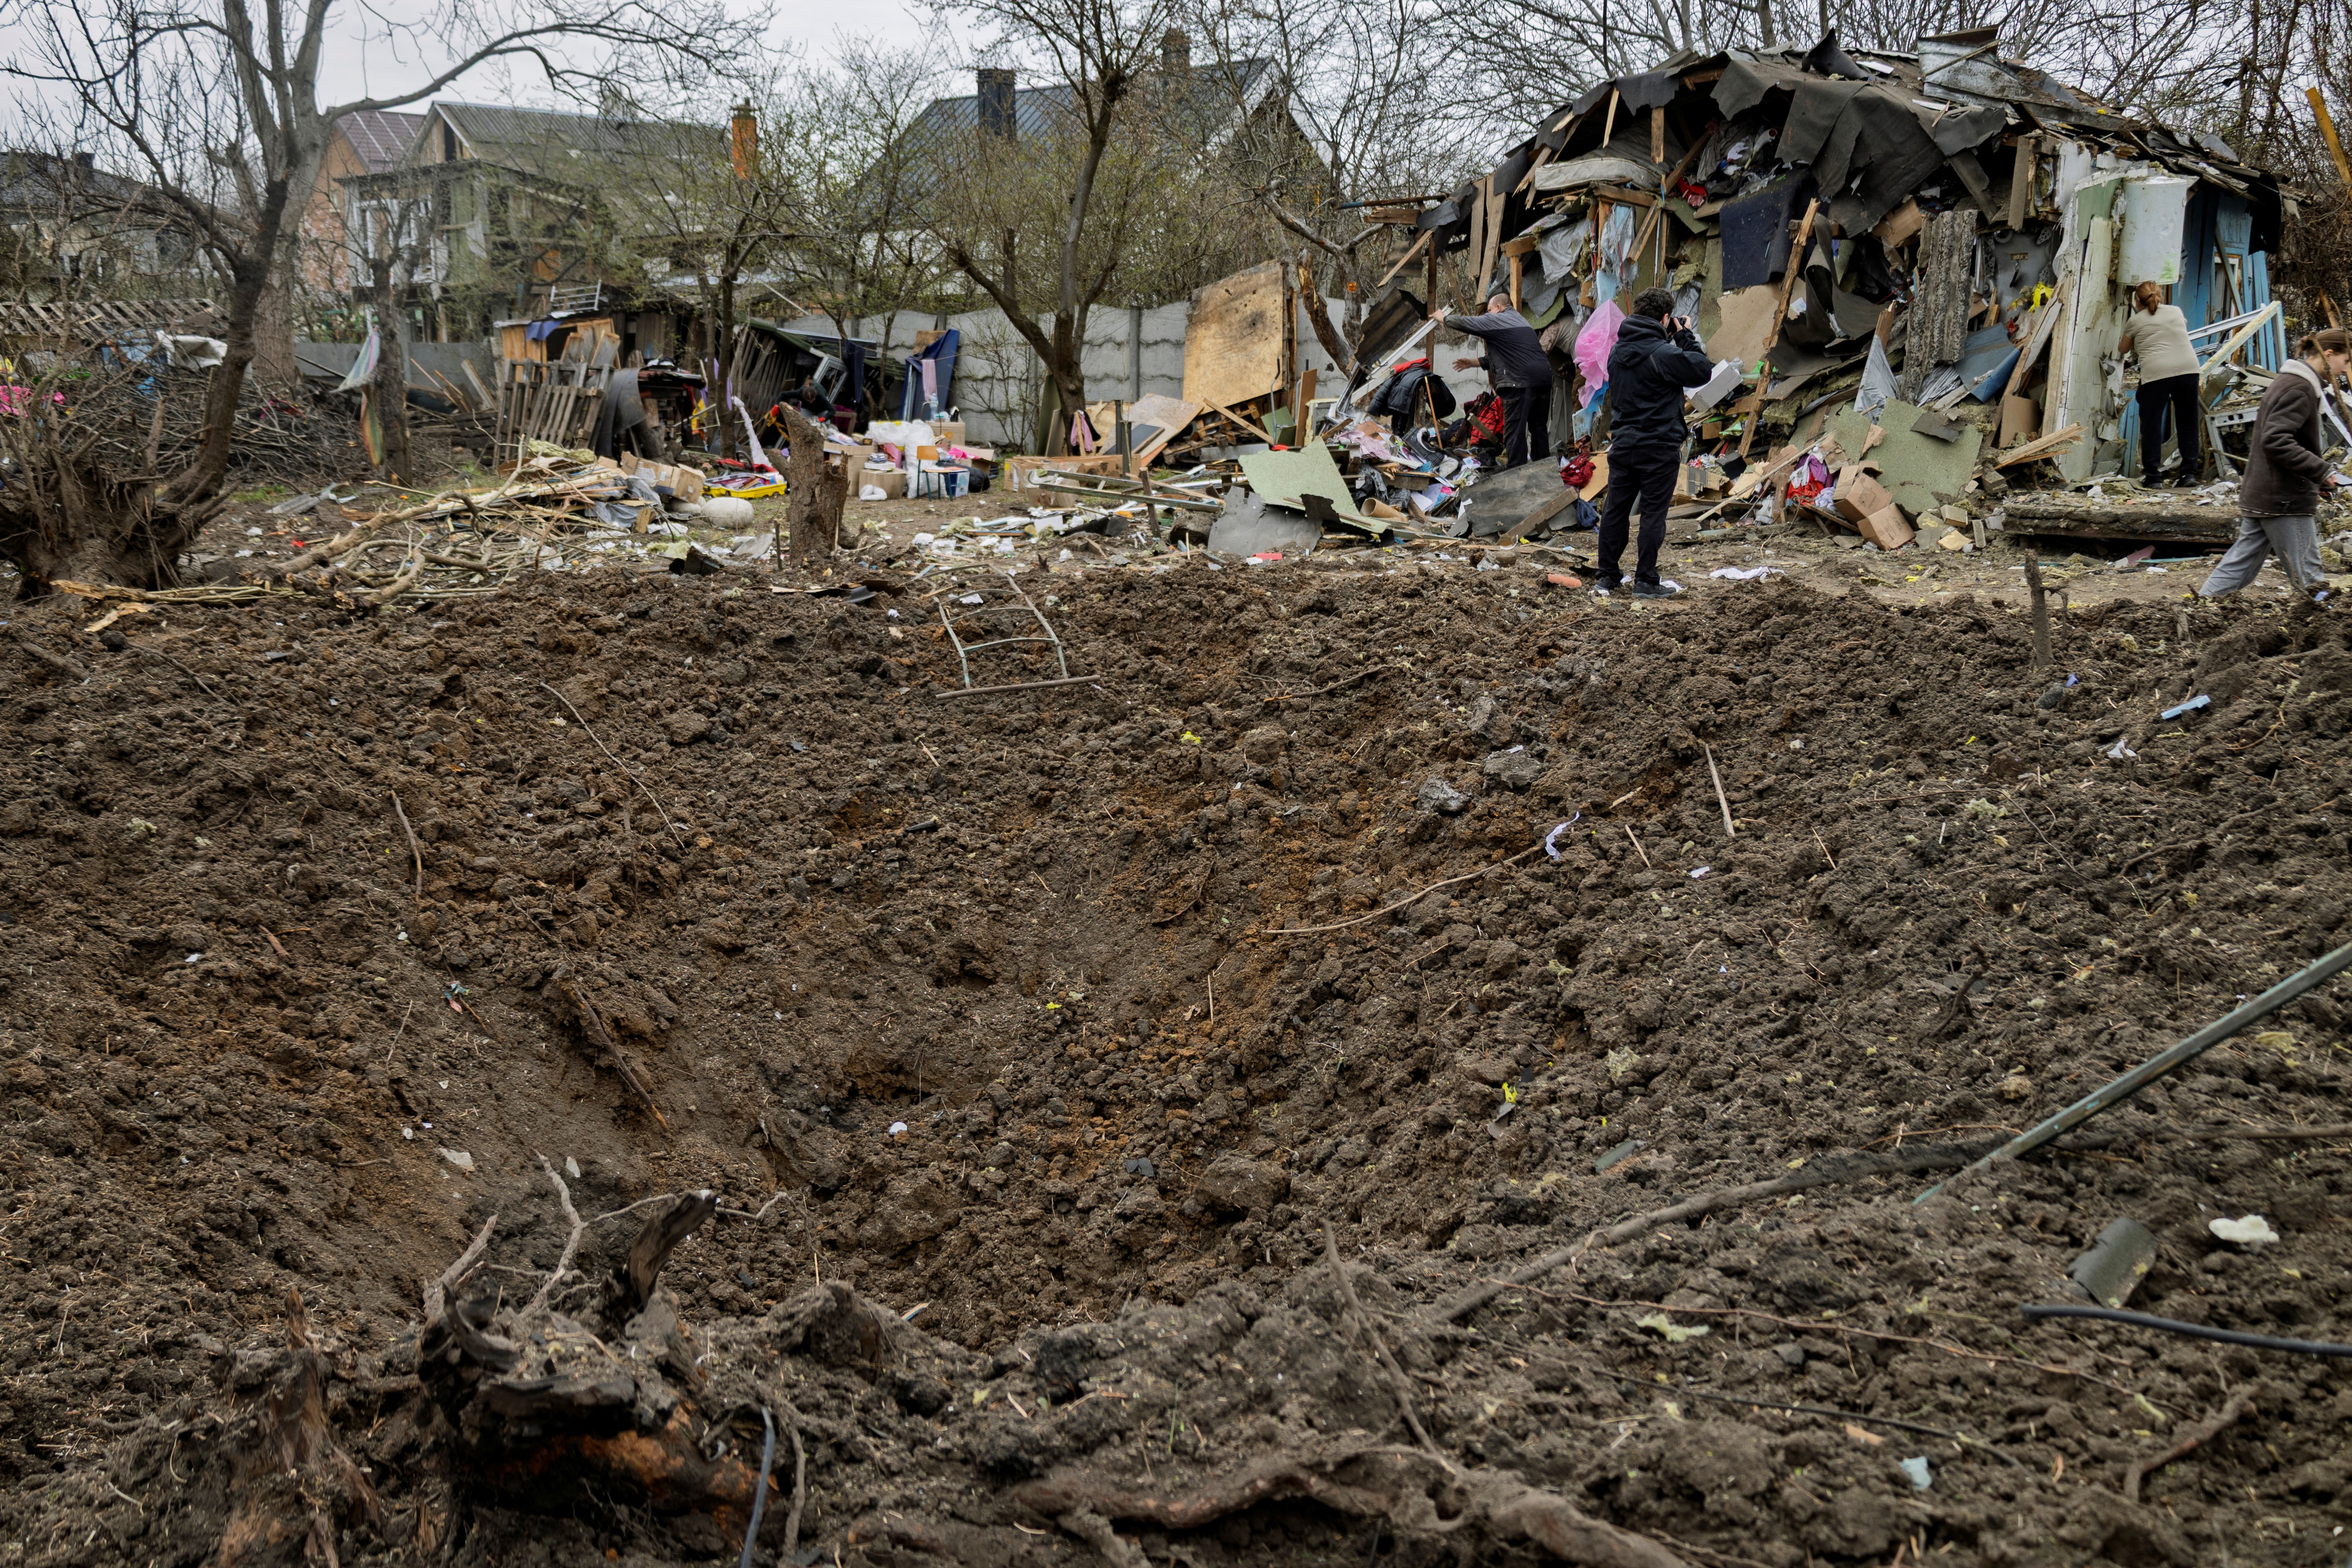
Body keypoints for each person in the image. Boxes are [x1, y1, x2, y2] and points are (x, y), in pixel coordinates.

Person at [2200, 327, 2349, 600]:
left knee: (2239, 567)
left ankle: (2196, 611)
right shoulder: (2300, 388)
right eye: (2346, 361)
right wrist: (2322, 471)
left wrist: (2315, 479)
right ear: (2329, 354)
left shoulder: (2291, 381)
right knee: (2310, 579)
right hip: (2284, 499)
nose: (2344, 369)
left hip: (2265, 493)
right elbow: (2276, 441)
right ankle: (2332, 633)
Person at [1595, 286, 1716, 598]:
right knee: (1652, 515)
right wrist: (1684, 335)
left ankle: (1606, 576)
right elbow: (1702, 370)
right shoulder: (1663, 354)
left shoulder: (1617, 354)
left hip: (1623, 445)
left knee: (1615, 511)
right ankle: (1645, 581)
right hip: (1659, 447)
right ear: (1665, 318)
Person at [1434, 288, 1552, 468]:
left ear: (1498, 307)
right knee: (1539, 429)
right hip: (1543, 380)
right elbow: (1508, 356)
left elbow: (1469, 323)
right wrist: (1471, 363)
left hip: (1518, 382)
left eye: (1489, 310)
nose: (1488, 314)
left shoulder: (1498, 318)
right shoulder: (1522, 322)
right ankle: (1544, 471)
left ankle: (1517, 474)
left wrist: (1444, 318)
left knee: (1515, 432)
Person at [2118, 281, 2201, 487]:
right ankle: (2188, 474)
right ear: (2160, 296)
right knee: (2188, 422)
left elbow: (2122, 349)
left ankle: (2154, 478)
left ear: (2137, 300)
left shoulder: (2135, 321)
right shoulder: (2175, 311)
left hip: (2157, 374)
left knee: (2152, 425)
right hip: (2189, 369)